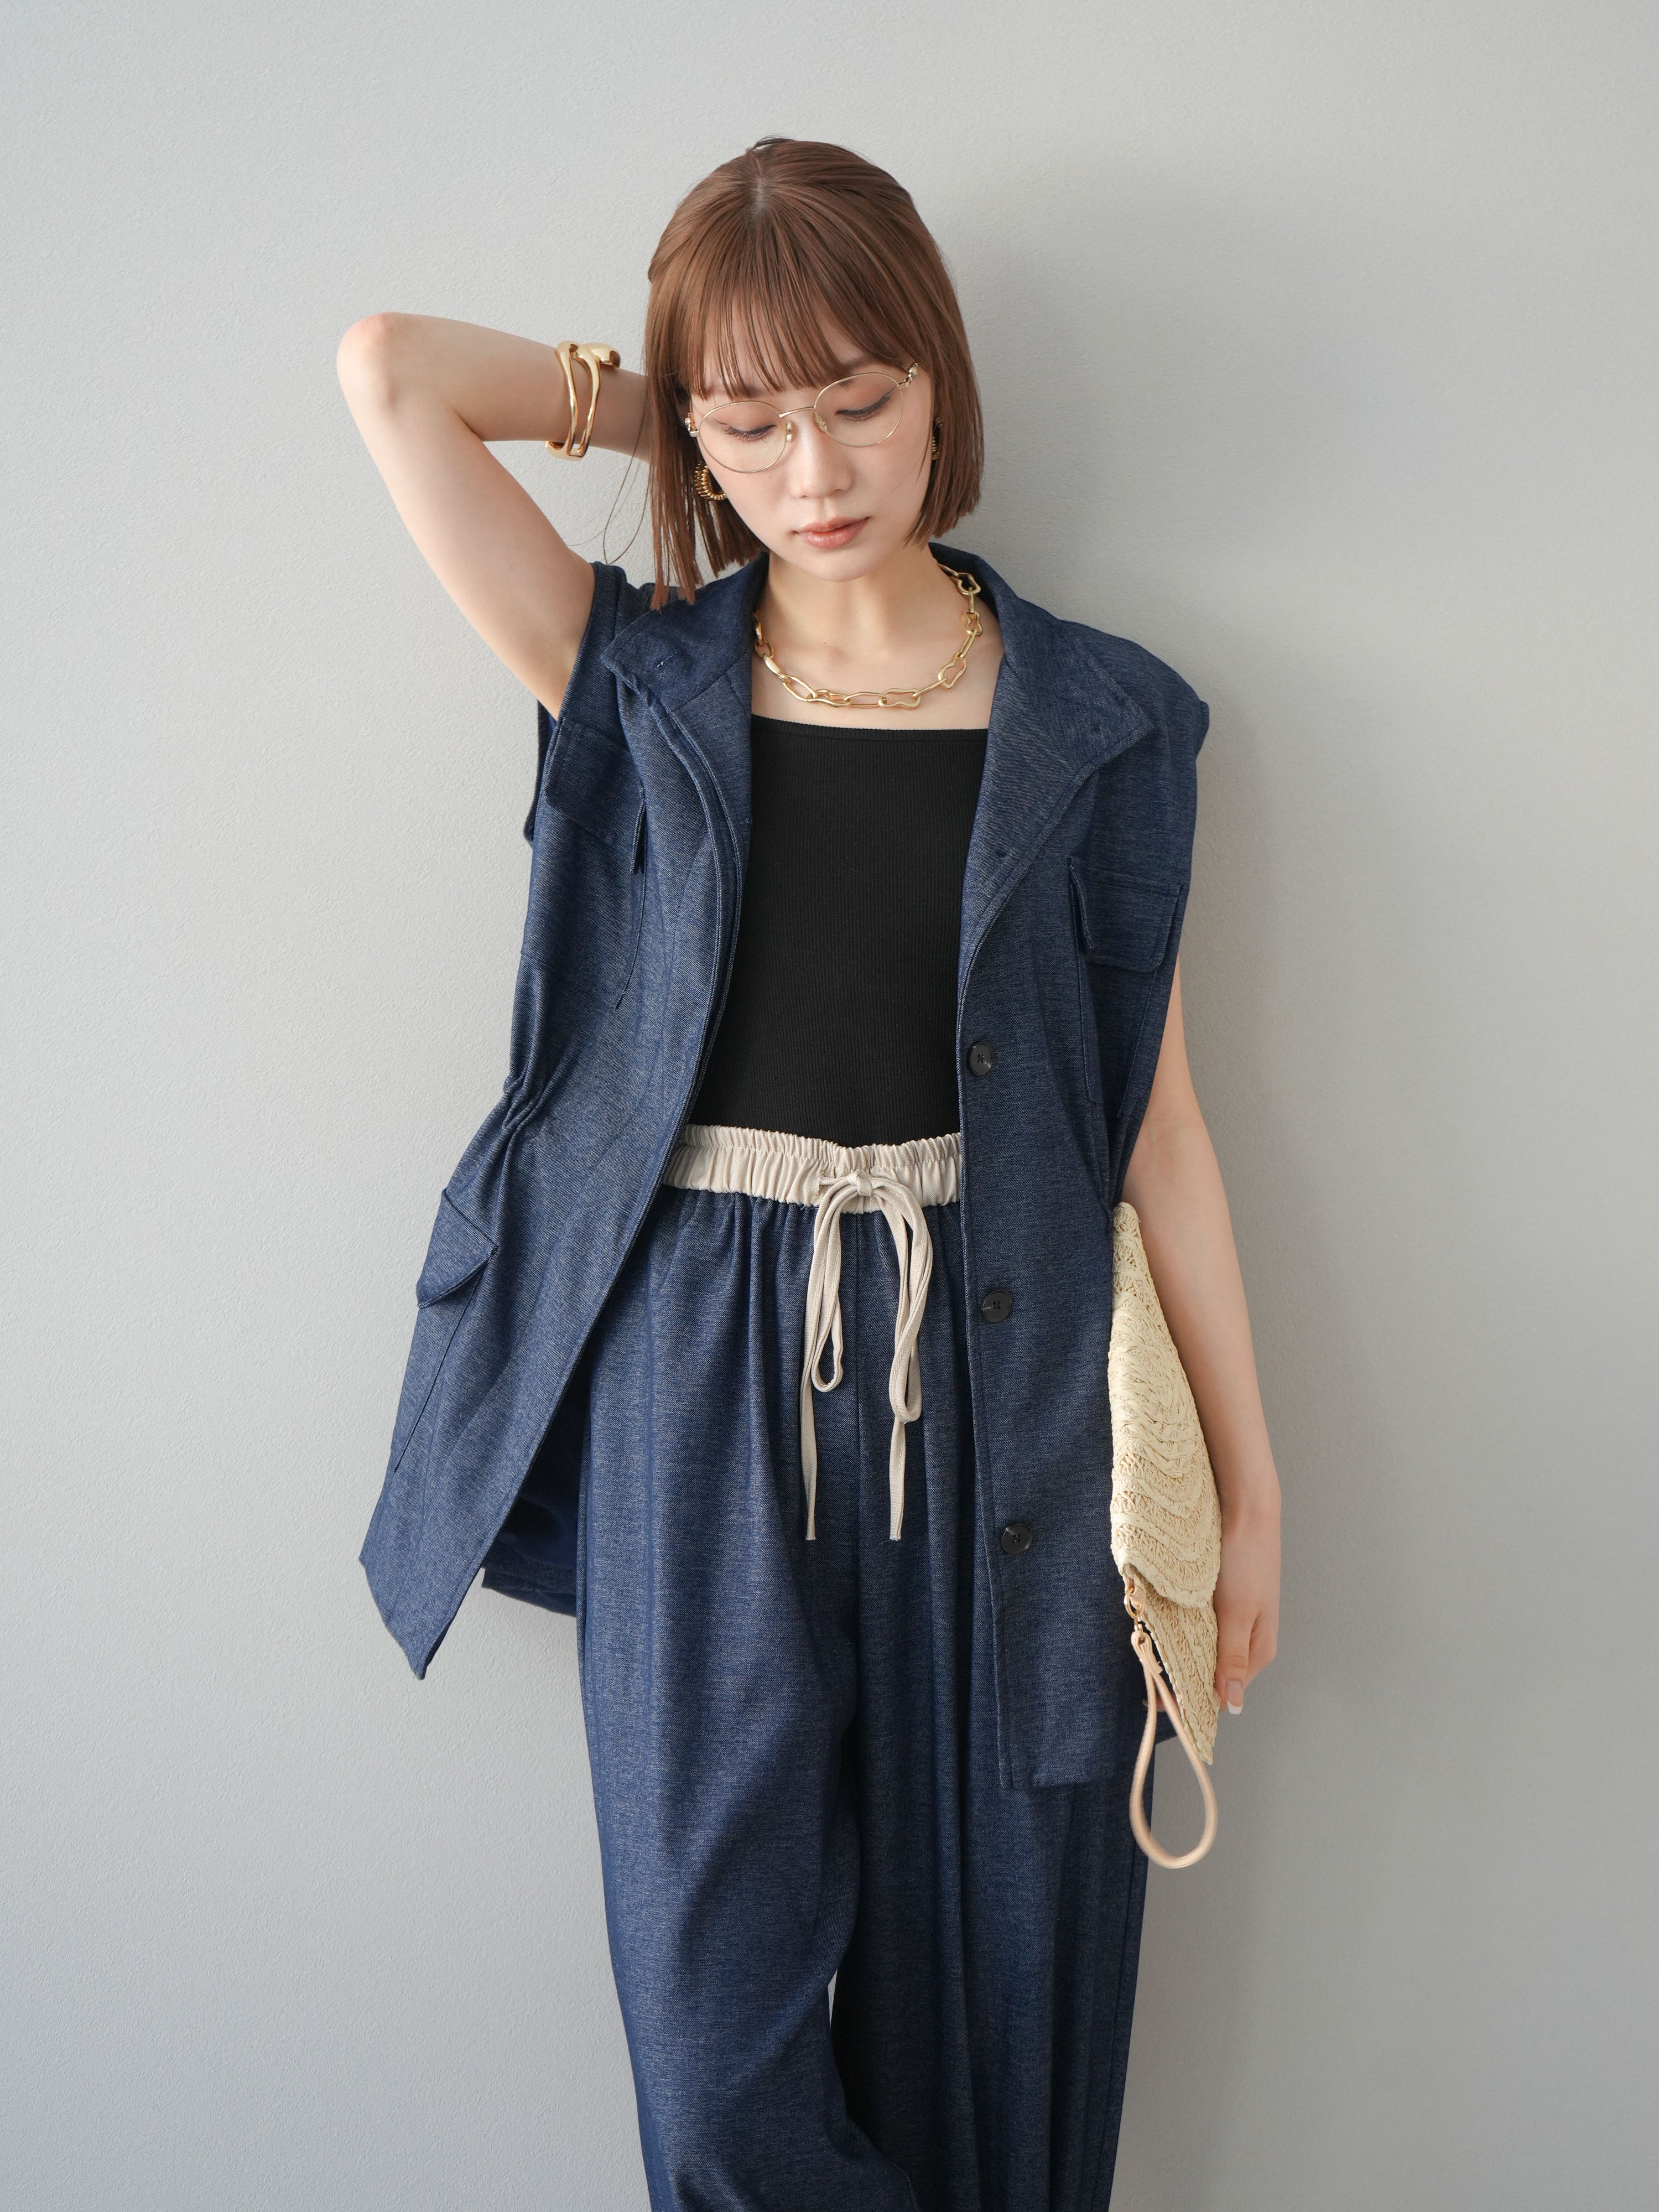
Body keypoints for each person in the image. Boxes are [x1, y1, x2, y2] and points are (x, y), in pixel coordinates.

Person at [337, 135, 1281, 2212]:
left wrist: (1251, 1487)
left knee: (1005, 2033)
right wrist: (662, 411)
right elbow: (391, 369)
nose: (818, 470)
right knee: (715, 2055)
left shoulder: (1106, 724)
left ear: (943, 383)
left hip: (1017, 1377)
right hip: (694, 1365)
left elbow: (1162, 1133)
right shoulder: (635, 678)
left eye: (859, 402)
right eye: (754, 425)